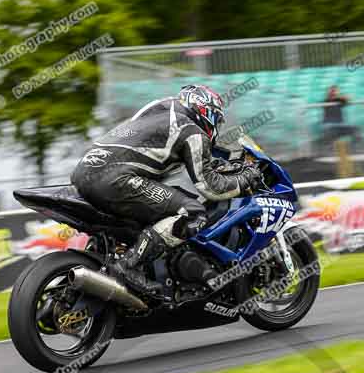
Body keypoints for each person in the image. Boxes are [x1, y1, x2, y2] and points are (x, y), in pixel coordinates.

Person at [71, 84, 263, 295]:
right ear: (207, 112)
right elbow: (211, 188)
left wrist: (221, 165)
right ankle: (128, 266)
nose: (218, 123)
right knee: (192, 212)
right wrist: (245, 178)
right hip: (114, 178)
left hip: (85, 170)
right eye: (218, 117)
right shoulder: (192, 131)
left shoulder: (160, 108)